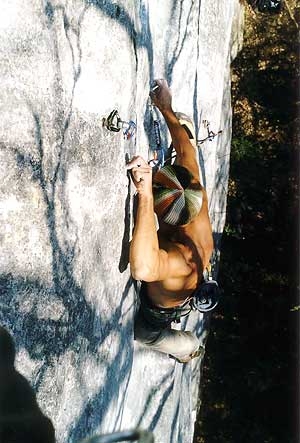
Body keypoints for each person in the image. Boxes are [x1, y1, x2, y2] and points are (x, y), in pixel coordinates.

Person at [126, 79, 214, 363]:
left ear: (164, 214)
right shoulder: (193, 189)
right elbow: (186, 149)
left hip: (162, 309)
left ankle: (188, 346)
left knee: (145, 334)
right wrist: (166, 107)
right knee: (190, 155)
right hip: (190, 278)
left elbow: (142, 268)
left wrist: (145, 193)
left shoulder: (180, 261)